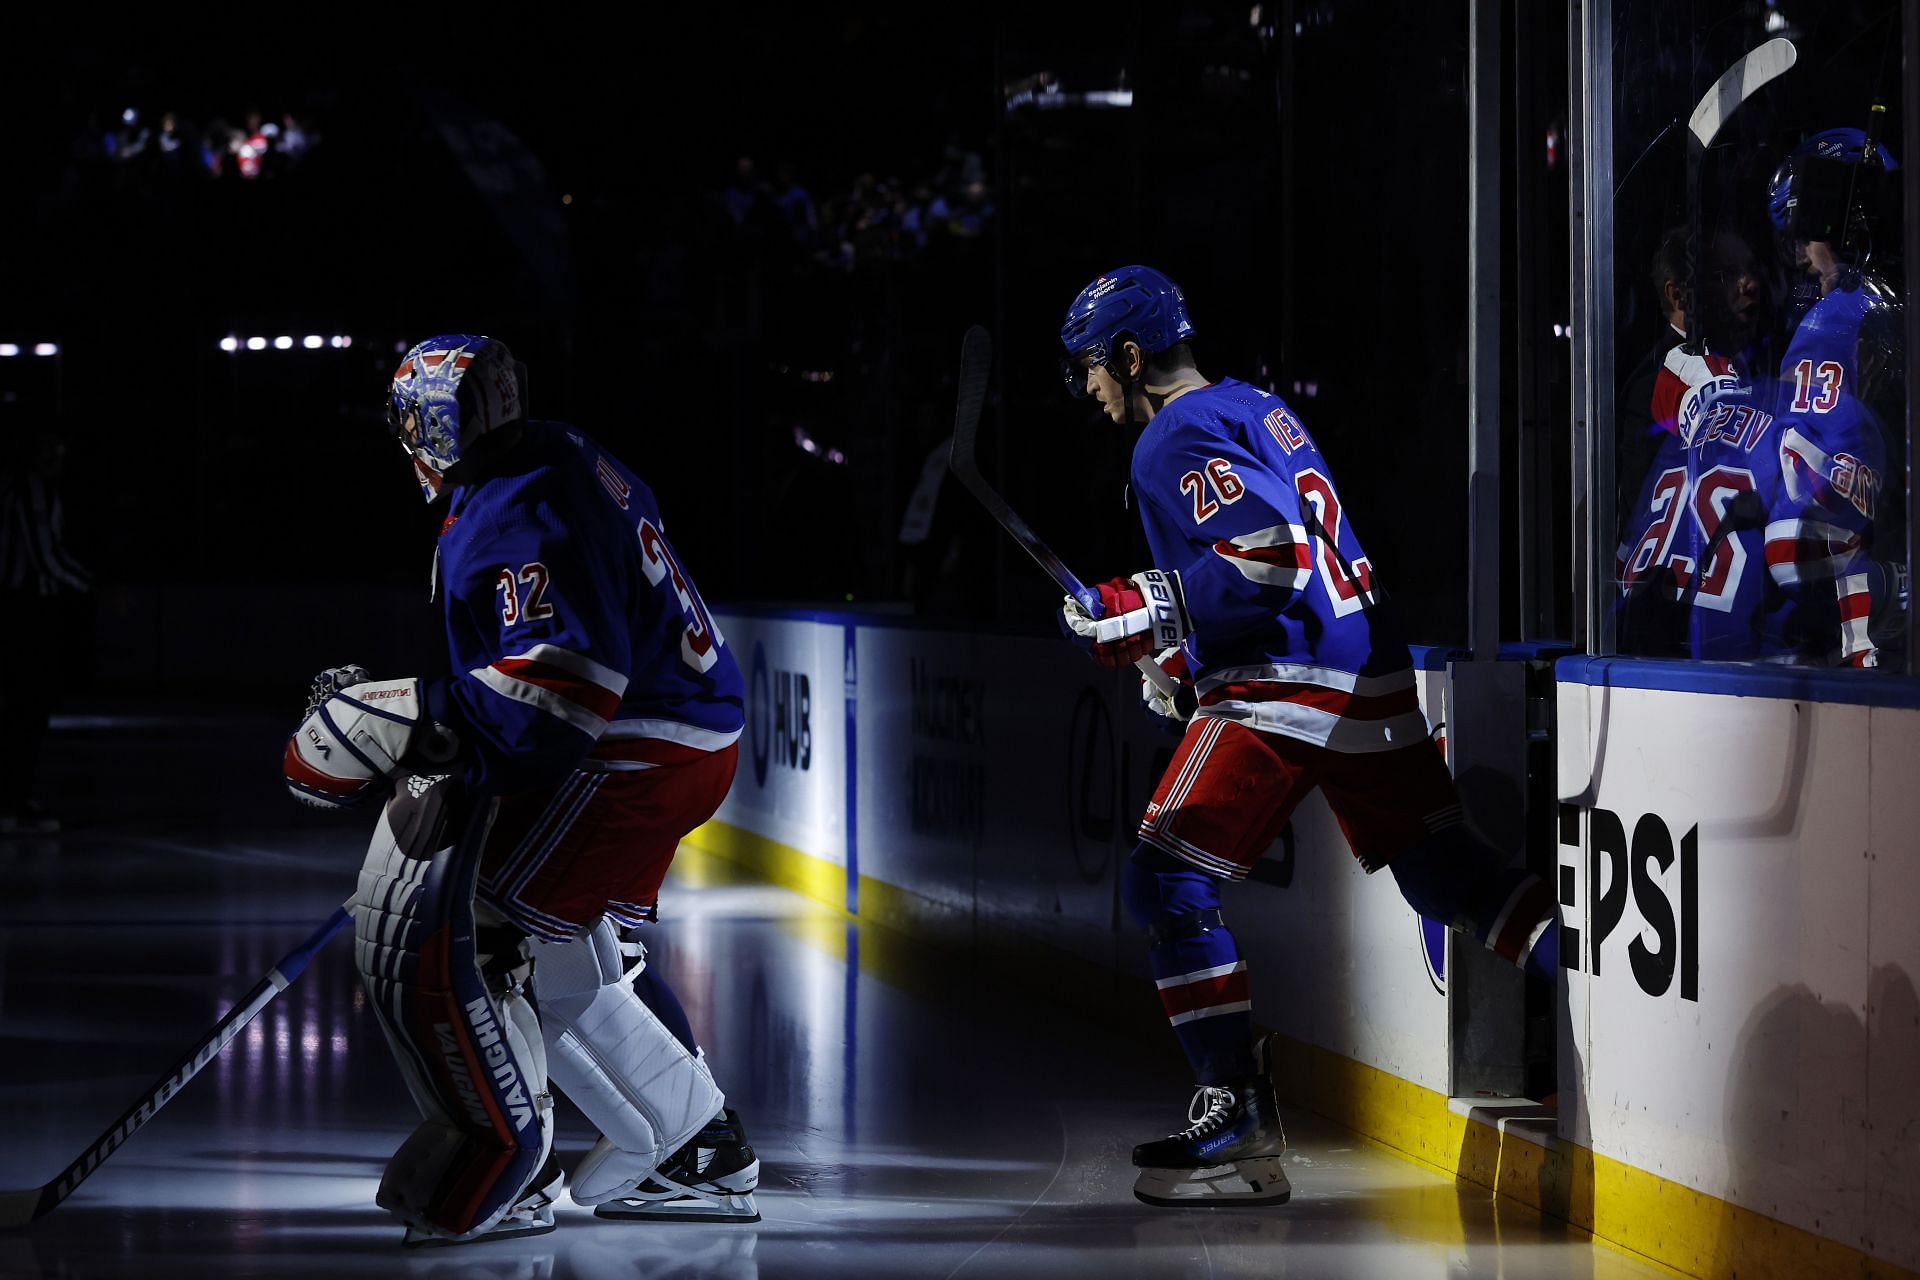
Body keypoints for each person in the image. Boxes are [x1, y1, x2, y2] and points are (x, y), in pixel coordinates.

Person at [1054, 266, 1560, 1207]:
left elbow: (1270, 555)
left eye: (1093, 368)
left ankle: (1235, 1109)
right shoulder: (1258, 406)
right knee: (1446, 874)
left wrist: (1140, 611)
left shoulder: (1167, 434)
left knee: (1163, 876)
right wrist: (1181, 659)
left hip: (1291, 678)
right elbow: (1290, 547)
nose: (1091, 390)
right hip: (1367, 658)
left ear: (1130, 355)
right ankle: (1588, 996)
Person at [283, 334, 758, 1244]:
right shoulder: (550, 453)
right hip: (675, 730)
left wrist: (412, 719)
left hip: (638, 746)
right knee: (561, 930)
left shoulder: (517, 512)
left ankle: (514, 1164)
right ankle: (697, 1145)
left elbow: (562, 695)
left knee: (485, 926)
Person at [0, 427, 91, 833]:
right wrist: (90, 586)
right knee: (26, 708)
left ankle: (15, 797)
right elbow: (44, 557)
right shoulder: (29, 489)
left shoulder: (22, 487)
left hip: (22, 608)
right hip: (24, 610)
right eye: (49, 444)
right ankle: (12, 799)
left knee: (24, 708)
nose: (57, 451)